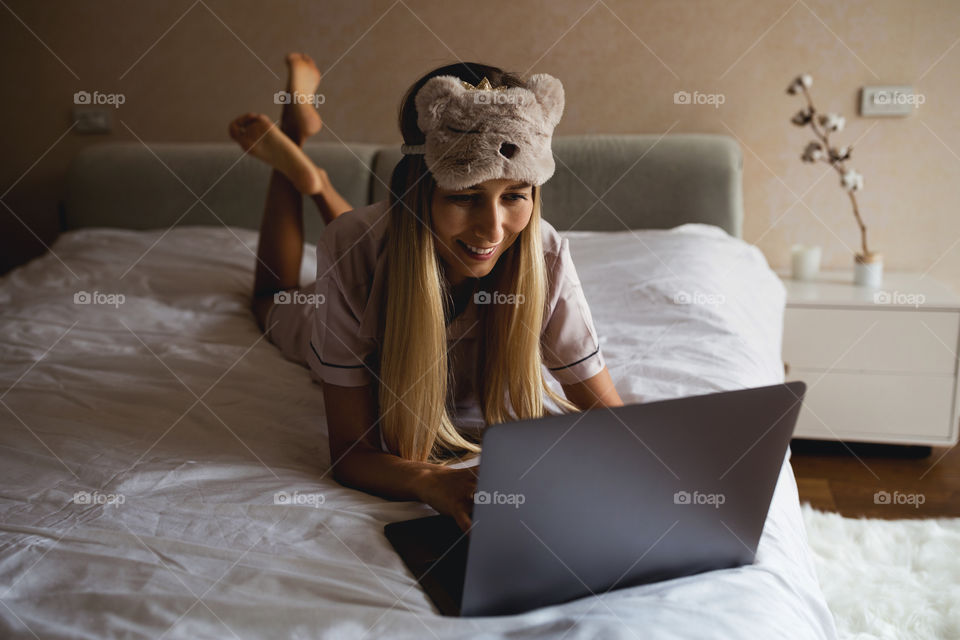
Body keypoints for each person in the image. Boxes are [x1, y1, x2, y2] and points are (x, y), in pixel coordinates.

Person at [229, 54, 623, 532]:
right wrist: (429, 481)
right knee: (273, 297)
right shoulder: (354, 248)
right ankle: (300, 153)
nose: (493, 230)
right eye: (464, 196)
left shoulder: (546, 254)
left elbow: (614, 422)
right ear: (420, 190)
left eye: (514, 196)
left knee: (371, 238)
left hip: (380, 239)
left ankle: (318, 183)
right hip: (345, 284)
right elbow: (351, 453)